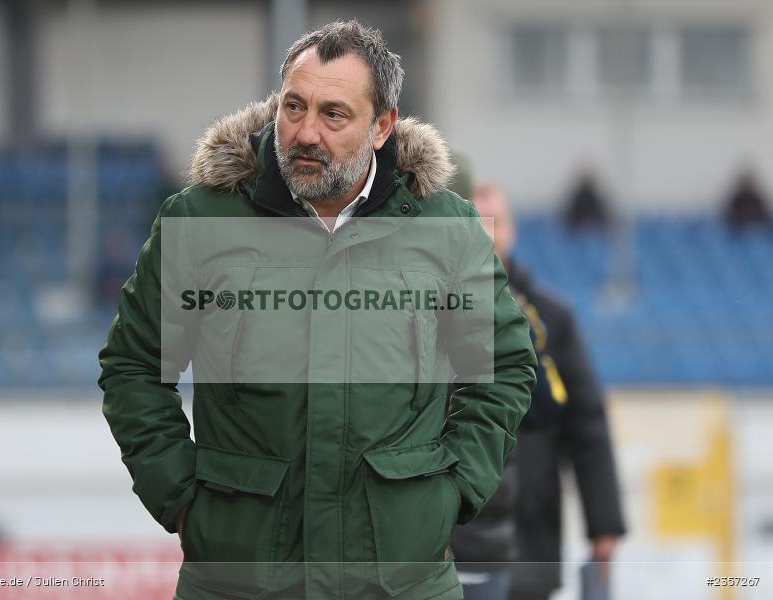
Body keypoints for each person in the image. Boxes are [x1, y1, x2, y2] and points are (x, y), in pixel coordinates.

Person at [99, 21, 537, 600]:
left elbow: (504, 367)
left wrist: (451, 491)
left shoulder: (446, 227)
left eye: (333, 115)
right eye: (294, 107)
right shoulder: (201, 221)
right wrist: (181, 497)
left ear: (382, 126)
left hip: (400, 579)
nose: (305, 132)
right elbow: (133, 365)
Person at [468, 185, 626, 600]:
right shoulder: (433, 307)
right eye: (476, 221)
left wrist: (604, 523)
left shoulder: (552, 316)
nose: (487, 233)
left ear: (513, 231)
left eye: (495, 222)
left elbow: (588, 422)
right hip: (457, 532)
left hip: (531, 527)